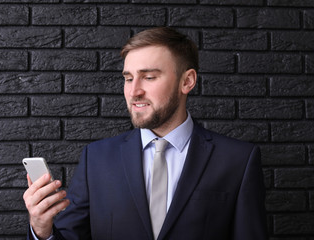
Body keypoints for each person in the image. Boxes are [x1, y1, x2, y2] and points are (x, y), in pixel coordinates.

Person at [23, 27, 268, 240]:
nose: (134, 91)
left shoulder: (238, 161)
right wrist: (42, 229)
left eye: (149, 77)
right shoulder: (96, 159)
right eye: (128, 79)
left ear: (188, 81)